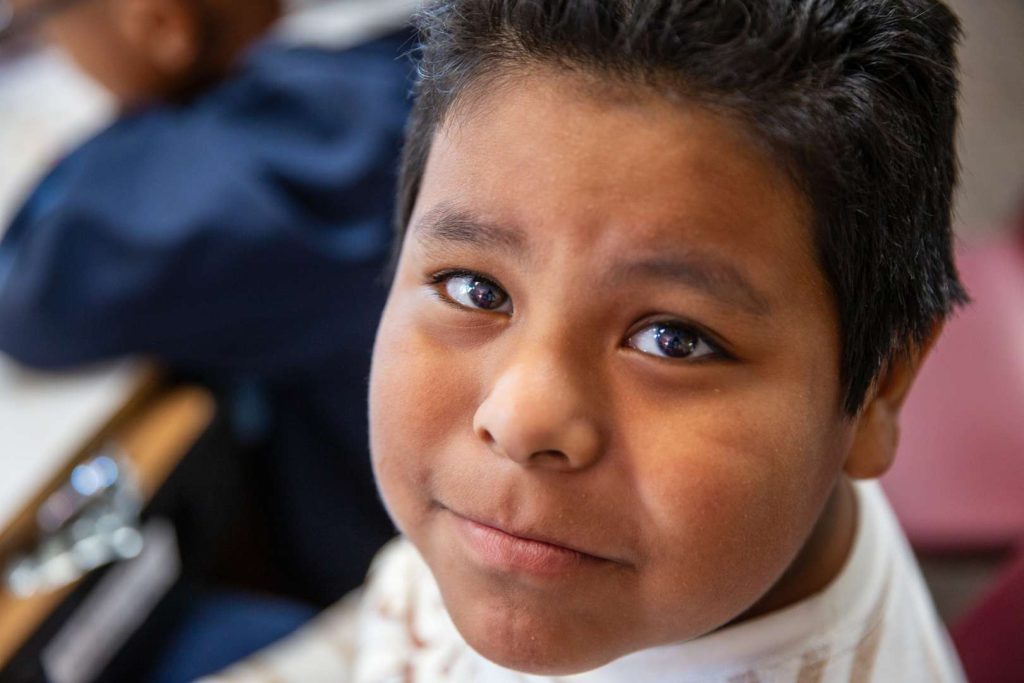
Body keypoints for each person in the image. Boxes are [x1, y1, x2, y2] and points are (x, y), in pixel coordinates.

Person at [218, 0, 970, 680]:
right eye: (477, 290)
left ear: (878, 389)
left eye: (674, 339)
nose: (519, 420)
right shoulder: (607, 557)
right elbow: (401, 619)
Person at [0, 0, 415, 602]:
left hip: (377, 578)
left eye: (47, 23)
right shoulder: (368, 72)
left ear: (160, 26)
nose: (59, 50)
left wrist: (144, 110)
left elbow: (30, 291)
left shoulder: (256, 169)